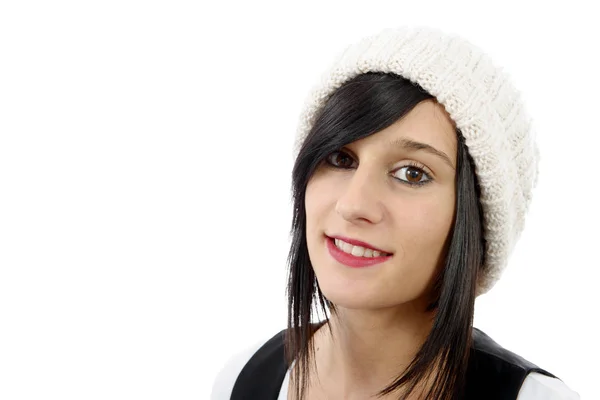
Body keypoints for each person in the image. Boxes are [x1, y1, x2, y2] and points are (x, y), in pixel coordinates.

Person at [211, 26, 580, 400]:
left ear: (476, 222)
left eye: (412, 173)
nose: (354, 205)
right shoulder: (243, 380)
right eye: (340, 158)